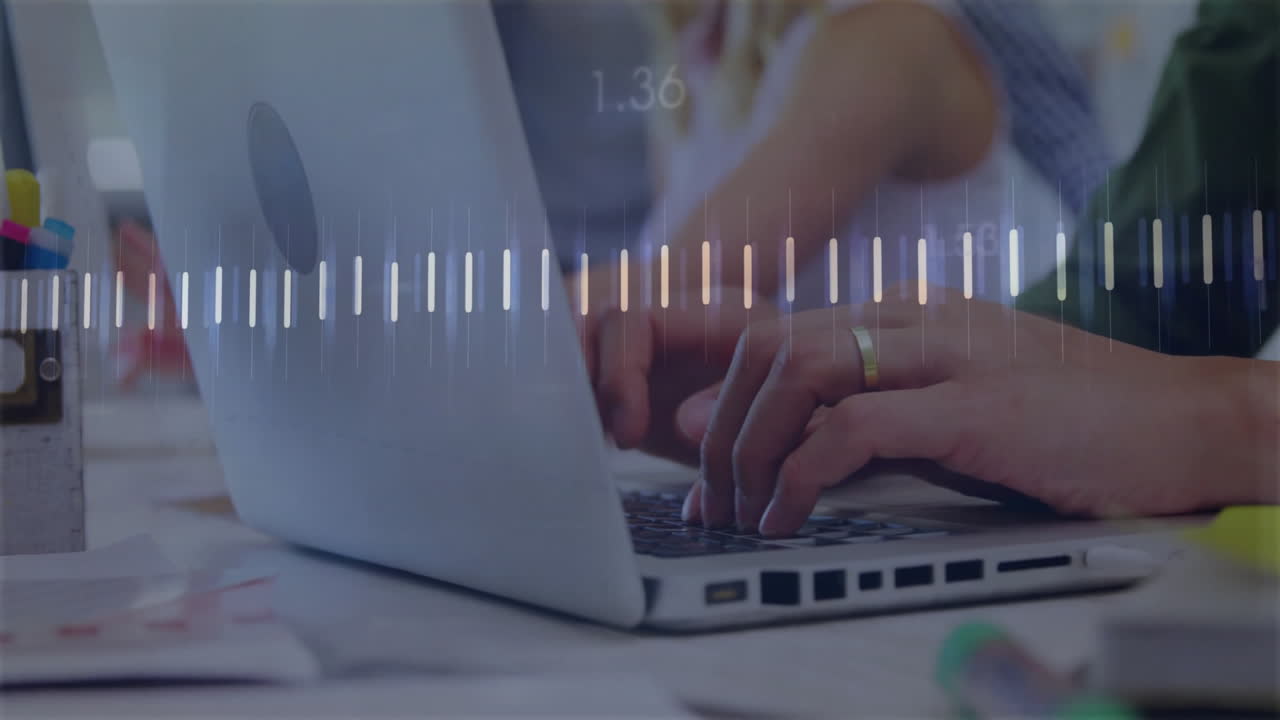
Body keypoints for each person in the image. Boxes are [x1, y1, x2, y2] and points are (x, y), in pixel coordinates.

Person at [590, 0, 1279, 536]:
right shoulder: (695, 64)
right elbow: (1154, 299)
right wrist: (848, 396)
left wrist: (1216, 421)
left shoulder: (887, 38)